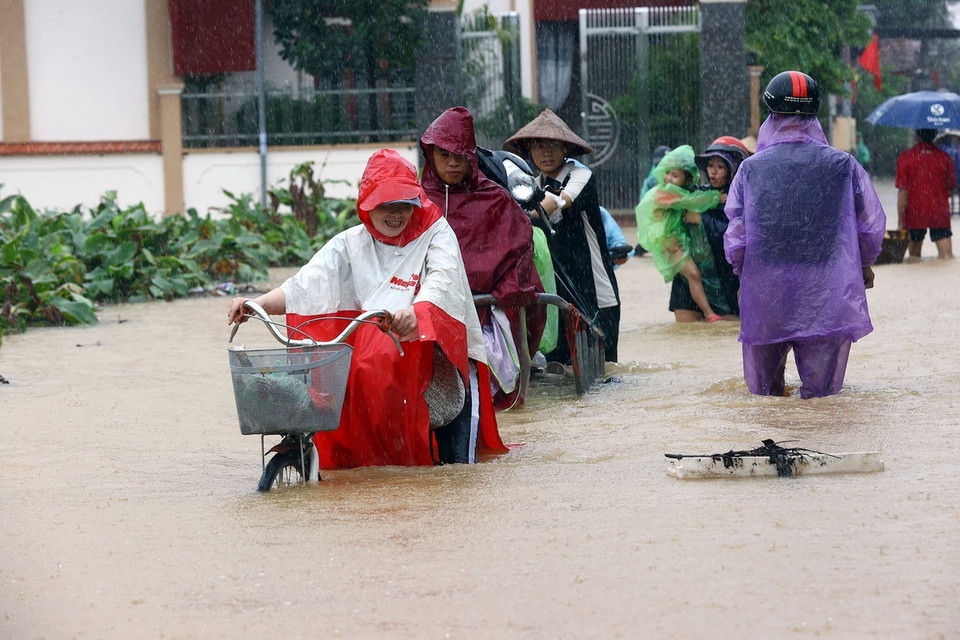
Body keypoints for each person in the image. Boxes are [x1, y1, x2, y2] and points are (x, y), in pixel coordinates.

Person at [227, 149, 507, 467]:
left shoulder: (436, 233)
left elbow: (441, 283)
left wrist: (415, 313)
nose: (396, 214)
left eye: (404, 204)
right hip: (376, 376)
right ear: (367, 204)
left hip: (440, 368)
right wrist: (255, 304)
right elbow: (304, 286)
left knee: (456, 474)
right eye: (386, 204)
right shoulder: (351, 243)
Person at [724, 70, 886, 399]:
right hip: (825, 286)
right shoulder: (844, 165)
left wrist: (743, 276)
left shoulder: (751, 169)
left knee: (766, 395)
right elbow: (869, 225)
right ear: (814, 115)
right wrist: (864, 264)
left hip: (767, 286)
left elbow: (738, 236)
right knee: (822, 397)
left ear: (772, 115)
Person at [419, 106, 546, 410]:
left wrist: (500, 297)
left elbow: (519, 260)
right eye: (444, 155)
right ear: (430, 155)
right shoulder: (417, 202)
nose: (452, 163)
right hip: (431, 313)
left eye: (459, 156)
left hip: (488, 315)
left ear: (472, 158)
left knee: (487, 406)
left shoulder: (497, 200)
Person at [503, 108, 621, 363]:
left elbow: (559, 201)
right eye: (539, 146)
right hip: (558, 288)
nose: (546, 153)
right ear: (529, 151)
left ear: (566, 149)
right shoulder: (531, 184)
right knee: (560, 366)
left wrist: (523, 215)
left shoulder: (581, 175)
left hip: (595, 287)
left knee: (604, 368)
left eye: (553, 146)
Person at [635, 144, 729, 323]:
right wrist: (717, 197)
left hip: (676, 238)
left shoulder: (680, 192)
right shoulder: (664, 194)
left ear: (686, 180)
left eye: (675, 175)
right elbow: (690, 201)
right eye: (668, 173)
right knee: (693, 274)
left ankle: (709, 313)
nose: (669, 178)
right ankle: (710, 314)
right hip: (669, 241)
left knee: (693, 275)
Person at [668, 137, 749, 322]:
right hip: (690, 281)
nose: (713, 171)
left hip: (725, 280)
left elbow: (735, 236)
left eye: (720, 167)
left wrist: (701, 219)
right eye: (711, 165)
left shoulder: (740, 199)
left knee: (727, 329)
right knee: (686, 335)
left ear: (732, 169)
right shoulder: (697, 195)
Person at [895, 128, 956, 259]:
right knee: (947, 258)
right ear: (935, 136)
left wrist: (900, 222)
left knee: (914, 259)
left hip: (914, 213)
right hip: (939, 212)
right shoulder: (945, 158)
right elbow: (950, 191)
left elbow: (902, 194)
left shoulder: (905, 158)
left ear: (917, 136)